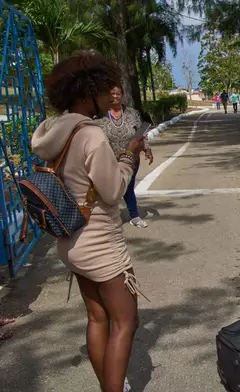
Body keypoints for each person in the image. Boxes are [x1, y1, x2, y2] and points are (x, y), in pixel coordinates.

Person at [31, 49, 147, 392]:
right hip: (99, 243)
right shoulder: (90, 133)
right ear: (85, 92)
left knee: (97, 318)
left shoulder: (54, 130)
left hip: (70, 241)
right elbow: (112, 192)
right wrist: (128, 155)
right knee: (126, 322)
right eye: (101, 89)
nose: (106, 96)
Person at [99, 85, 152, 228]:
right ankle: (110, 217)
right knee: (111, 188)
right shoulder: (100, 115)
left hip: (131, 158)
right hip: (110, 159)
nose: (115, 96)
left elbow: (142, 133)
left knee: (127, 186)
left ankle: (134, 216)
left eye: (118, 94)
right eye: (111, 93)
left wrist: (147, 149)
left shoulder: (131, 113)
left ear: (122, 95)